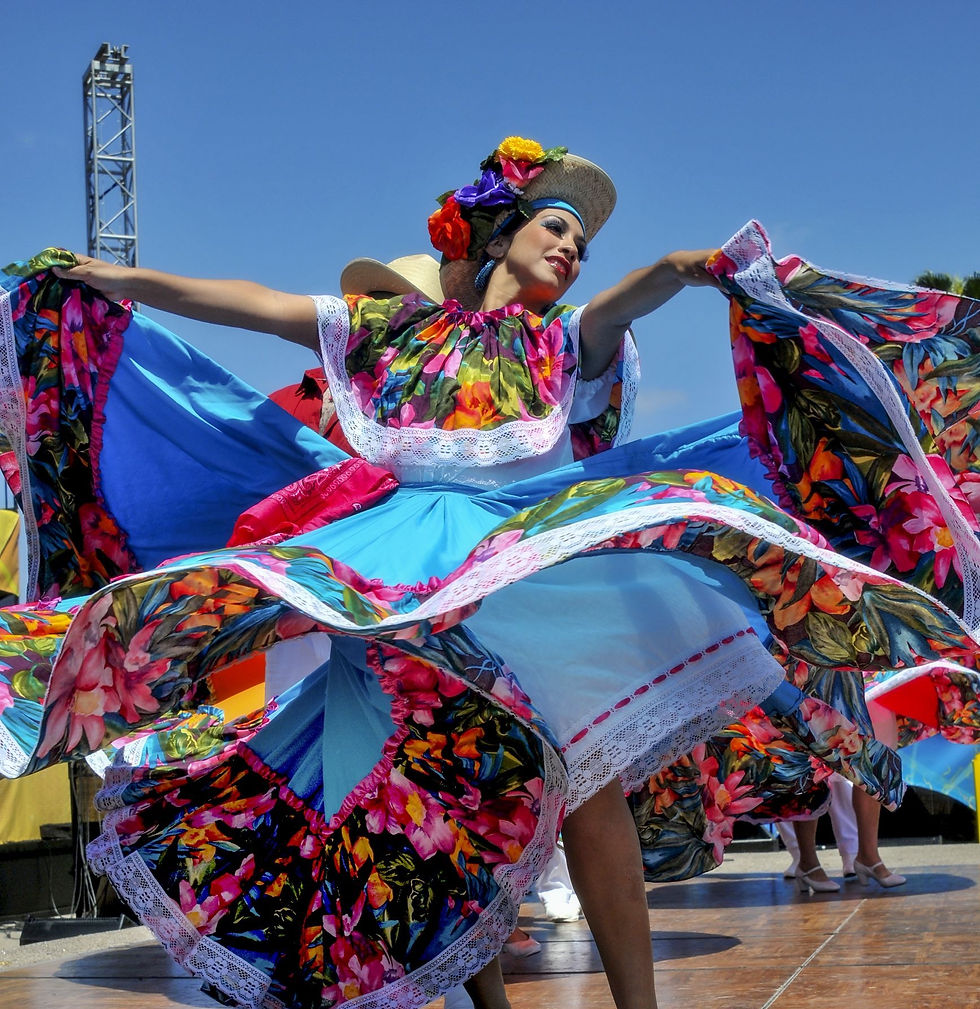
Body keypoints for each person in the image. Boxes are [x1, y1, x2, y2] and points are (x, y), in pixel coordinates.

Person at [0, 136, 977, 1009]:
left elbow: (626, 299)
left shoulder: (562, 341)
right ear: (499, 233)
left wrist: (685, 268)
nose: (571, 249)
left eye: (581, 243)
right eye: (555, 228)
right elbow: (247, 303)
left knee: (587, 785)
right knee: (441, 801)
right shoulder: (385, 333)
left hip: (525, 573)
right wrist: (116, 279)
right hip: (399, 575)